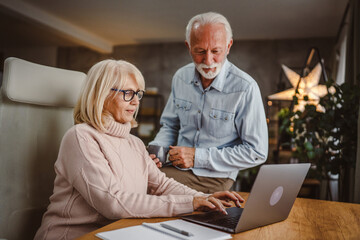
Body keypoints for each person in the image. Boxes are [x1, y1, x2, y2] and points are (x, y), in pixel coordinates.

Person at [34, 59, 244, 239]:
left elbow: (161, 185)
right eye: (127, 93)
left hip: (117, 232)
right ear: (101, 95)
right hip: (74, 236)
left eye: (138, 94)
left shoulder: (133, 143)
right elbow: (112, 202)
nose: (135, 101)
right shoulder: (81, 137)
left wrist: (205, 198)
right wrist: (191, 202)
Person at [149, 12, 268, 193]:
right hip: (175, 167)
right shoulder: (180, 77)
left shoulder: (246, 88)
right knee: (133, 176)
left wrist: (198, 157)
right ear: (189, 47)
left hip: (215, 176)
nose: (208, 61)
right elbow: (170, 126)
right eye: (200, 52)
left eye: (216, 51)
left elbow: (256, 152)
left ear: (228, 46)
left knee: (147, 186)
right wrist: (157, 150)